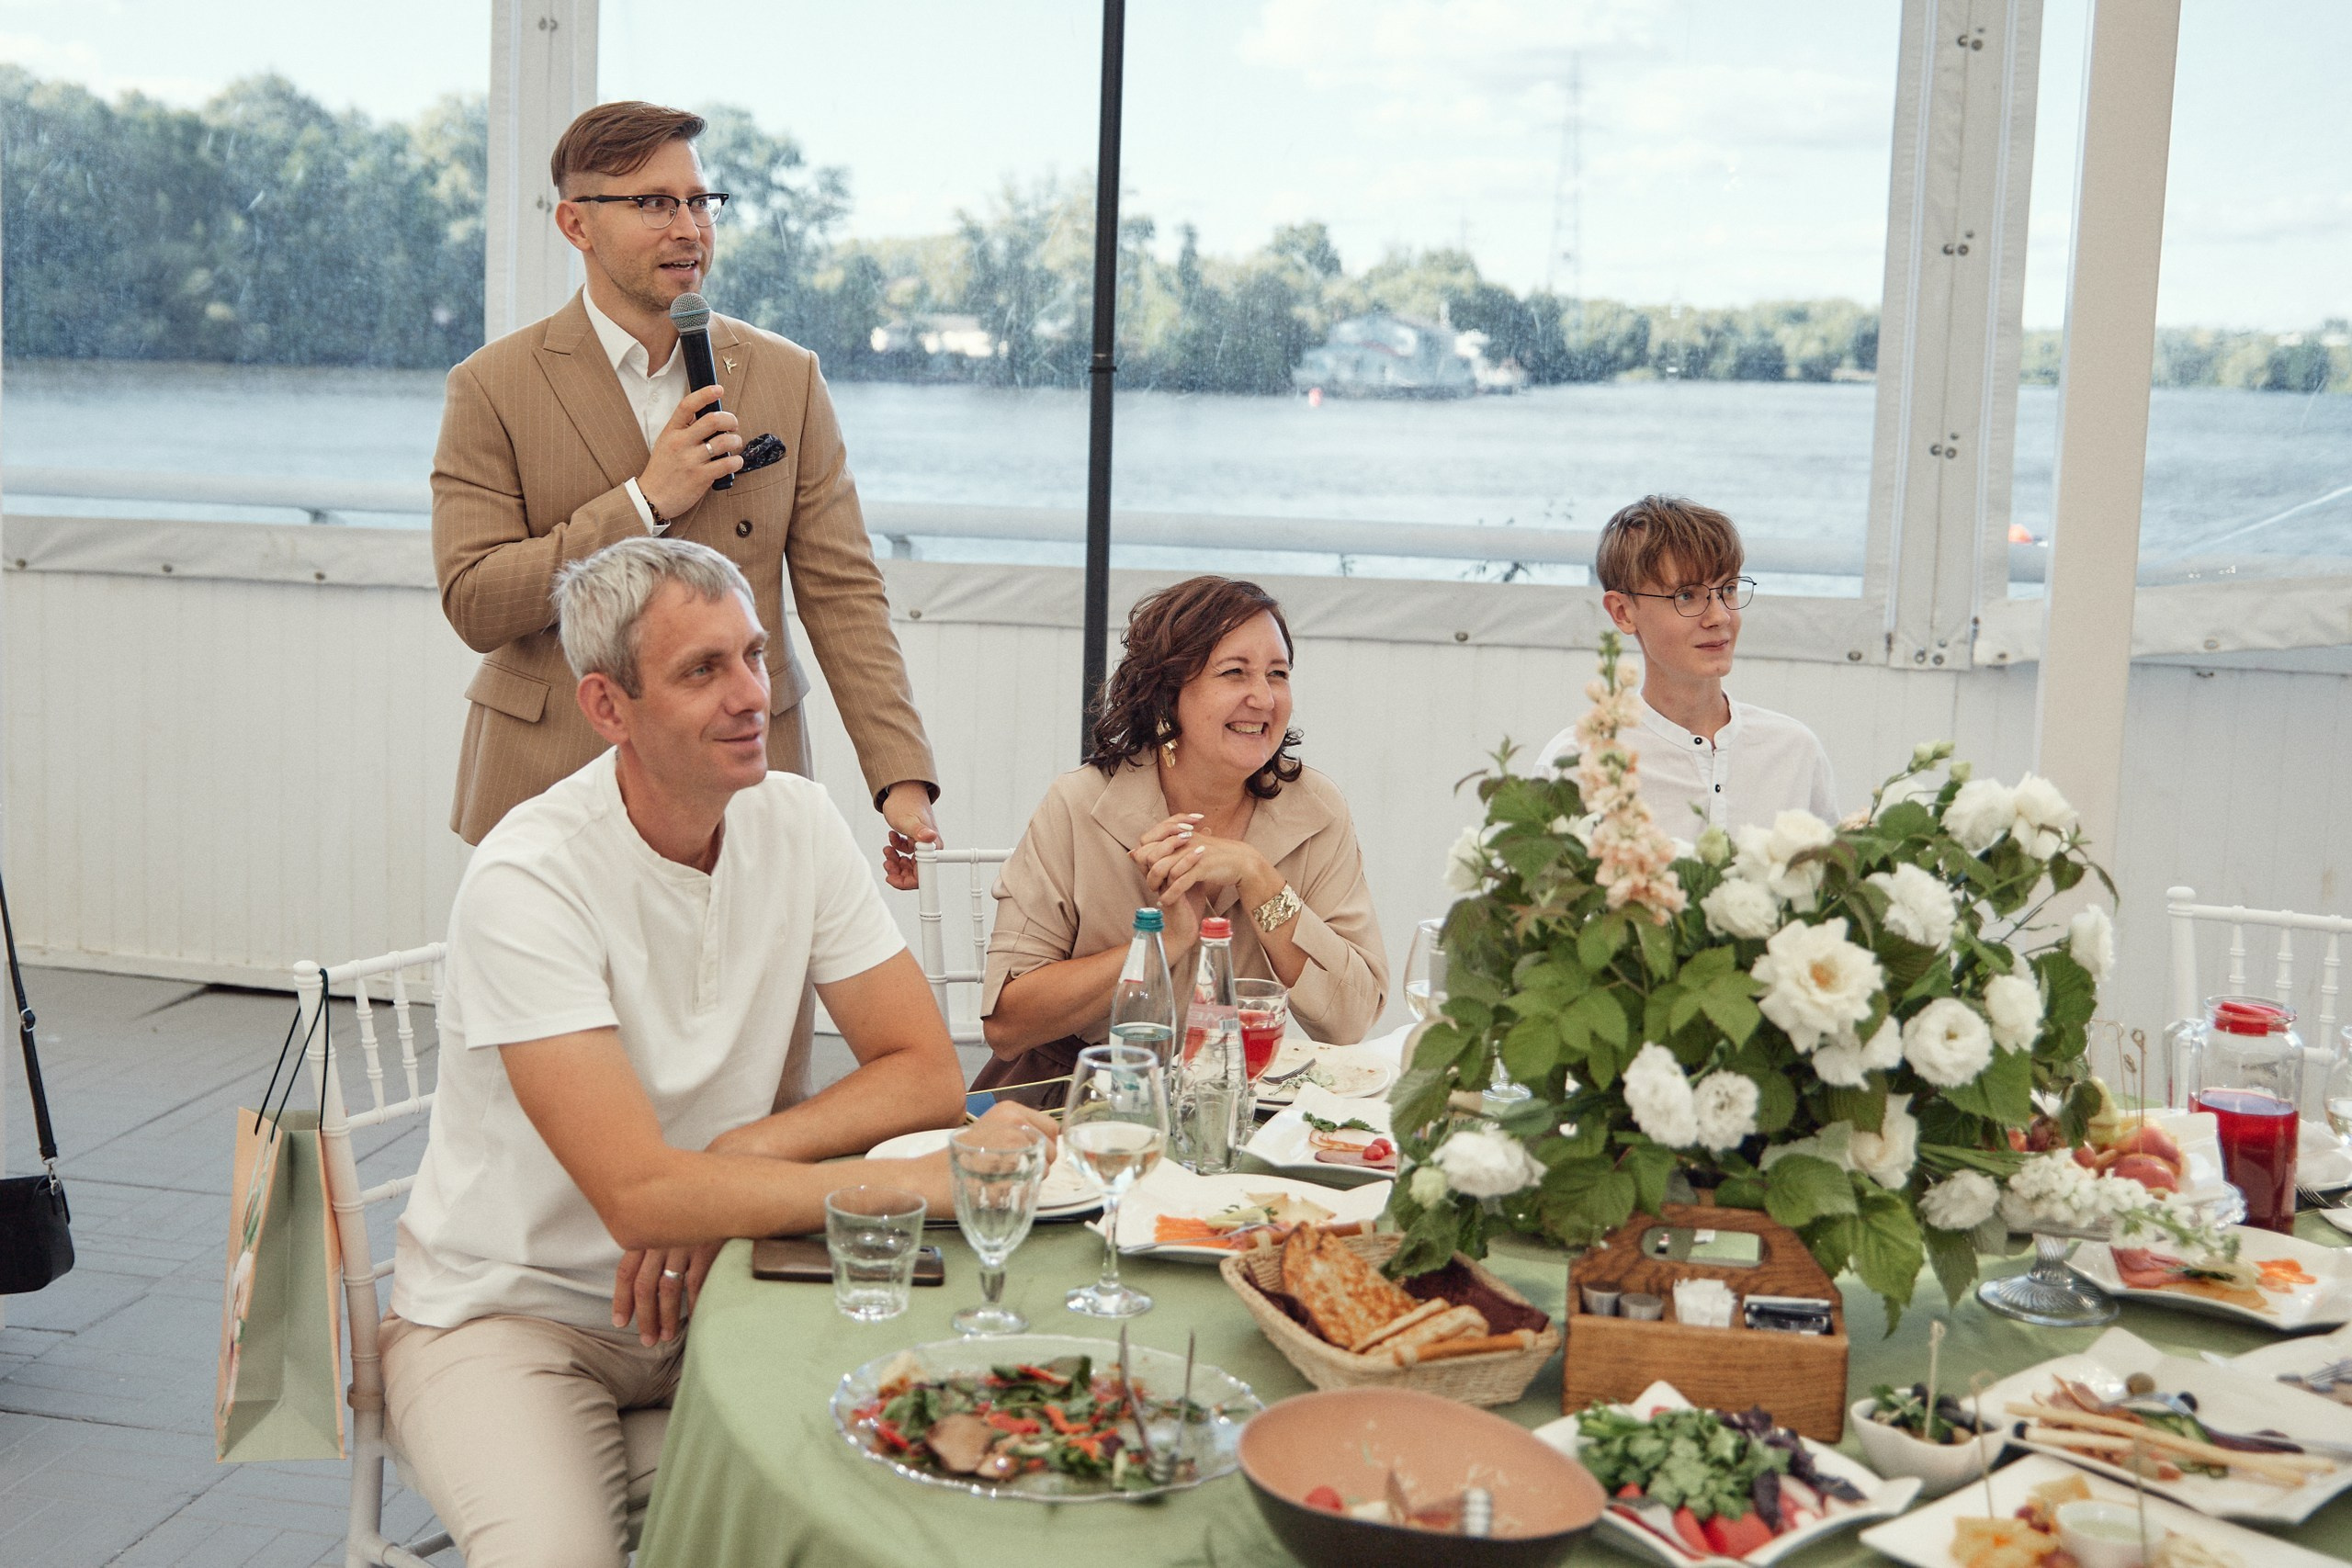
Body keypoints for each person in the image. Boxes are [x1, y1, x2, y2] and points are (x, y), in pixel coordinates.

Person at [383, 538, 1049, 1568]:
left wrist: (743, 1155)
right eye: (703, 669)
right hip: (513, 1321)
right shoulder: (530, 879)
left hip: (724, 1292)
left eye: (753, 655)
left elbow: (922, 1070)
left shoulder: (797, 820)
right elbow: (641, 1198)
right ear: (608, 706)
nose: (751, 696)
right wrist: (926, 1182)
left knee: (901, 1497)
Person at [430, 99, 940, 894]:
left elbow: (844, 593)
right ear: (575, 224)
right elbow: (475, 602)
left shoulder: (787, 376)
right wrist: (642, 503)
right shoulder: (492, 386)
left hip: (745, 783)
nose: (688, 228)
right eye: (653, 203)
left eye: (700, 202)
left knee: (760, 980)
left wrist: (900, 778)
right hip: (552, 783)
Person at [977, 576, 1386, 1104]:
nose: (1263, 698)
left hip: (1245, 1104)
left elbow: (1353, 1019)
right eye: (1234, 672)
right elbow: (1007, 1024)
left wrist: (1259, 879)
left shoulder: (1316, 808)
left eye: (1278, 674)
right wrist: (1163, 944)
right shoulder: (1080, 803)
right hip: (1078, 1097)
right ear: (1168, 693)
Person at [1537, 495, 1837, 833]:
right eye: (1686, 596)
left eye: (1728, 589)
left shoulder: (1795, 751)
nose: (1719, 616)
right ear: (1622, 612)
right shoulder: (1578, 764)